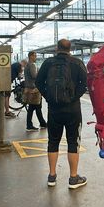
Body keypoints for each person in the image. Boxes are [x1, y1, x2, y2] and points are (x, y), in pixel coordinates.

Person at [35, 39, 87, 189]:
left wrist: (49, 97)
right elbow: (85, 83)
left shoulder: (48, 63)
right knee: (73, 142)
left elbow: (39, 82)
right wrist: (73, 98)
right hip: (73, 111)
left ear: (57, 49)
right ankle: (73, 178)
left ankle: (52, 176)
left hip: (54, 110)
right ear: (70, 49)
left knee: (53, 141)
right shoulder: (77, 63)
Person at [24, 51, 47, 131]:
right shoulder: (32, 65)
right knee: (34, 107)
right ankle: (30, 125)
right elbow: (35, 76)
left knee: (35, 107)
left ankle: (42, 123)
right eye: (34, 56)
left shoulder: (27, 65)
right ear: (30, 56)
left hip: (29, 88)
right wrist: (40, 73)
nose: (36, 57)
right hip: (34, 89)